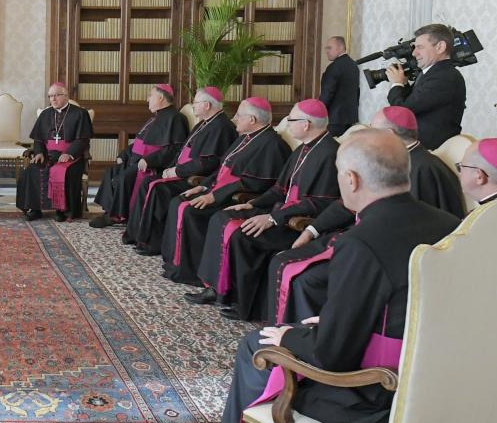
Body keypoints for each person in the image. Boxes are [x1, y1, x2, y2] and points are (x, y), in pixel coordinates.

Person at [213, 130, 462, 423]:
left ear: (352, 180)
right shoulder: (451, 226)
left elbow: (333, 357)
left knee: (258, 347)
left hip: (379, 403)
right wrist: (328, 321)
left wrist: (294, 334)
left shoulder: (362, 241)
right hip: (444, 389)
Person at [266, 105, 466, 324]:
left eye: (373, 128)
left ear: (388, 135)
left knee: (303, 277)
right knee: (284, 261)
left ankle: (306, 337)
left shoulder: (424, 168)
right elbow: (348, 204)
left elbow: (419, 228)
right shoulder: (388, 159)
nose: (368, 131)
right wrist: (313, 230)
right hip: (364, 237)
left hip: (384, 254)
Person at [187, 100, 341, 321]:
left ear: (306, 124)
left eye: (292, 119)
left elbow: (319, 203)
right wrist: (254, 204)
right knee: (222, 216)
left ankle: (244, 303)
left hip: (297, 222)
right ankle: (217, 288)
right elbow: (280, 188)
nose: (287, 122)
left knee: (243, 236)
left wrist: (273, 218)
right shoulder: (304, 149)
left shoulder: (329, 153)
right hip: (281, 213)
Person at [160, 97, 289, 285]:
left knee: (192, 212)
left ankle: (194, 273)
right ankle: (177, 264)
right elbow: (221, 168)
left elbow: (254, 184)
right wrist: (204, 185)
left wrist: (214, 196)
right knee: (179, 201)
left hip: (235, 198)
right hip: (219, 191)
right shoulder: (244, 138)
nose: (235, 118)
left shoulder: (272, 145)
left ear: (252, 120)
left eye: (239, 115)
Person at [125, 87, 237, 254]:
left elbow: (208, 162)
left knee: (156, 188)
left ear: (207, 105)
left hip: (196, 177)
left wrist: (177, 171)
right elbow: (181, 150)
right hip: (183, 171)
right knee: (149, 183)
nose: (193, 105)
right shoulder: (204, 123)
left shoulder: (221, 127)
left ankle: (153, 243)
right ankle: (137, 235)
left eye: (196, 102)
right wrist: (170, 167)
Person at [90, 84, 188, 228]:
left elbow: (175, 149)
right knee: (111, 171)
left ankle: (117, 216)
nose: (147, 99)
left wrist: (149, 160)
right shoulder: (154, 118)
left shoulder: (176, 118)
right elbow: (140, 143)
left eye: (151, 95)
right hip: (136, 160)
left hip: (152, 165)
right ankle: (110, 210)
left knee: (125, 177)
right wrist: (124, 154)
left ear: (161, 97)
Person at [385, 23, 467, 150]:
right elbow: (413, 102)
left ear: (440, 47)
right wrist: (404, 83)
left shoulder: (444, 77)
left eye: (420, 47)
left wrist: (397, 84)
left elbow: (403, 112)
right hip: (422, 149)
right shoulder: (432, 73)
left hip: (431, 152)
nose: (414, 53)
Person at [18, 84, 93, 221]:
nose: (52, 99)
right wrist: (39, 152)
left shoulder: (80, 113)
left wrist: (69, 153)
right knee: (32, 170)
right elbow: (39, 138)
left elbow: (83, 140)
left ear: (65, 96)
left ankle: (62, 210)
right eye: (50, 96)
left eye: (56, 95)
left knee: (64, 172)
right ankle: (35, 209)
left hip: (71, 157)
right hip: (49, 155)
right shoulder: (45, 114)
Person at [318, 36, 359, 137]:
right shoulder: (353, 65)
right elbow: (357, 92)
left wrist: (318, 111)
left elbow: (327, 93)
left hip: (334, 119)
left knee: (330, 148)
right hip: (351, 118)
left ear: (341, 47)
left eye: (329, 48)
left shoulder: (334, 67)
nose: (326, 51)